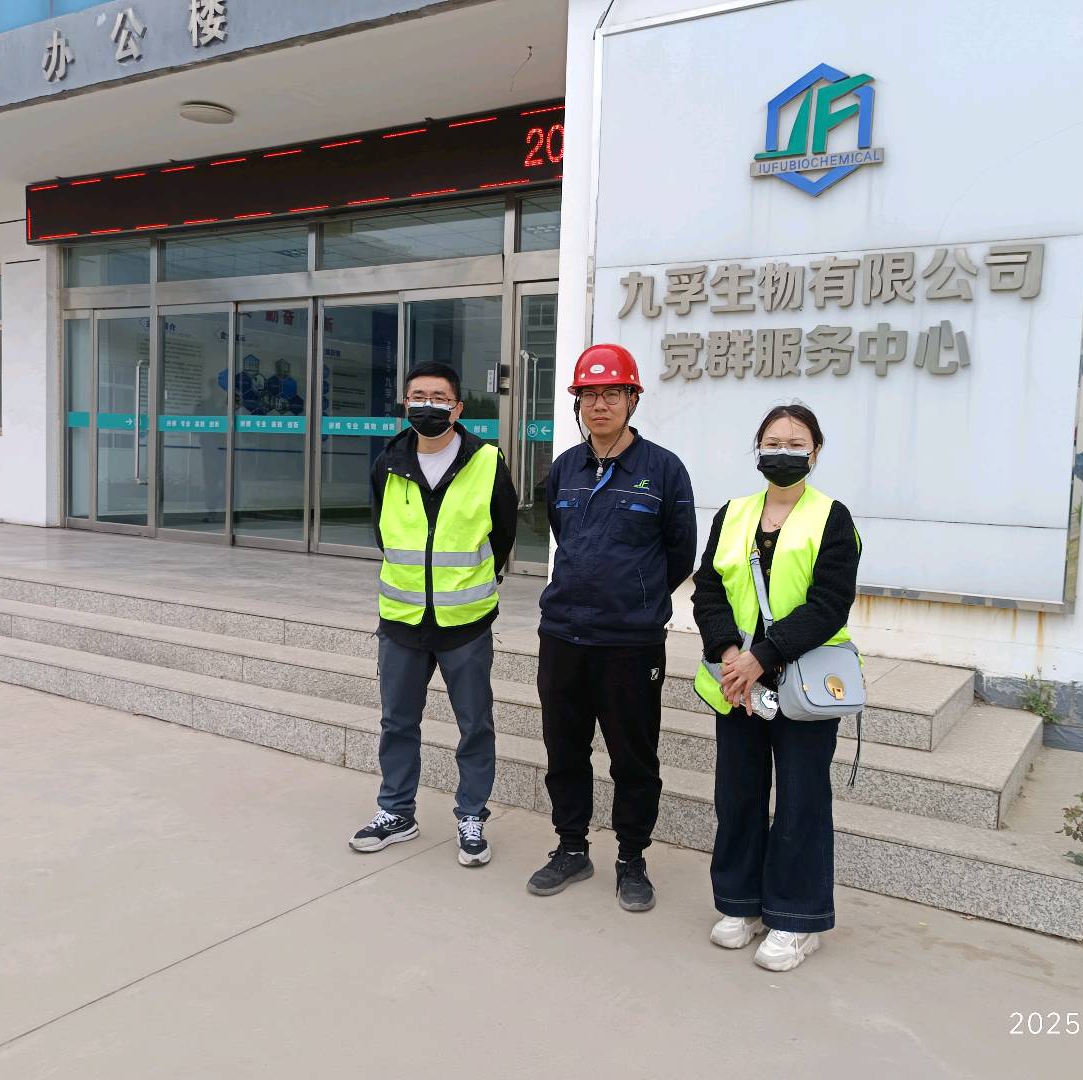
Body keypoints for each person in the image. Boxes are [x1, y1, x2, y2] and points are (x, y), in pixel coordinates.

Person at [526, 343, 697, 912]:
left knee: (633, 757)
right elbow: (562, 536)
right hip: (563, 634)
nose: (600, 405)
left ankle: (631, 858)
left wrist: (636, 599)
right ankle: (571, 848)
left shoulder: (664, 470)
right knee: (564, 749)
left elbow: (680, 554)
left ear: (632, 400)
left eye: (612, 394)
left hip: (630, 642)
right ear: (577, 402)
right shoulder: (564, 468)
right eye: (589, 395)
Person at [690, 403, 861, 972]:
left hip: (803, 687)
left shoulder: (832, 518)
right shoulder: (734, 513)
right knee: (737, 797)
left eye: (796, 443)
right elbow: (708, 589)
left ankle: (796, 919)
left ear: (816, 452)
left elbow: (829, 603)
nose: (782, 452)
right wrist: (729, 654)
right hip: (737, 686)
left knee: (800, 803)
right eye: (772, 442)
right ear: (757, 448)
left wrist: (762, 656)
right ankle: (740, 904)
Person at [348, 361, 518, 867]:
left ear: (457, 408)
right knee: (397, 721)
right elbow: (383, 532)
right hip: (401, 619)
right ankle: (396, 811)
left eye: (439, 398)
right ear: (405, 403)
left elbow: (503, 533)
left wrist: (468, 583)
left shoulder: (486, 461)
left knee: (474, 724)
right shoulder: (388, 461)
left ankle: (472, 815)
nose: (428, 405)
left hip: (465, 621)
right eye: (418, 396)